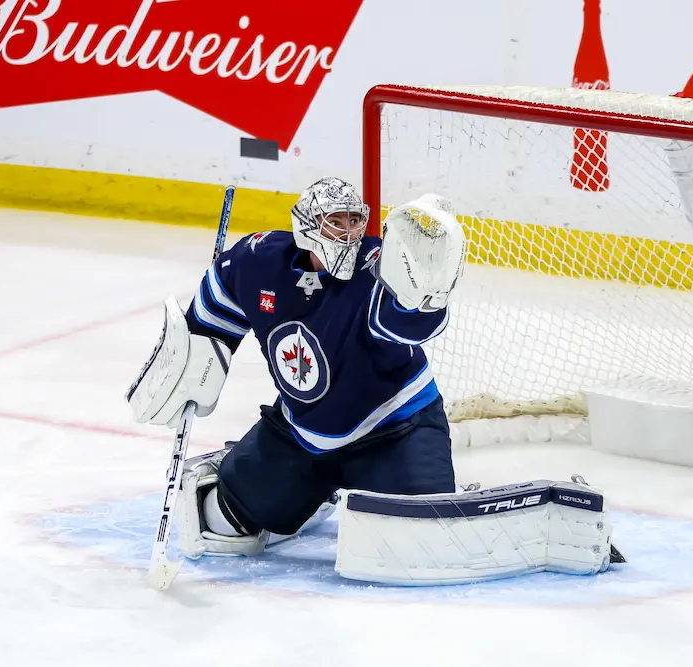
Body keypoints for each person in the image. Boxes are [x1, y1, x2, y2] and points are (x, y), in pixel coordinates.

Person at [126, 177, 468, 558]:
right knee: (220, 525)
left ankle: (365, 484)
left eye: (355, 221)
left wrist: (426, 297)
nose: (349, 232)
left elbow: (408, 326)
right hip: (300, 433)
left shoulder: (379, 265)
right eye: (335, 222)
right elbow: (217, 297)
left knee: (420, 541)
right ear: (306, 226)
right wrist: (193, 360)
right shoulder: (259, 260)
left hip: (393, 428)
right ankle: (313, 493)